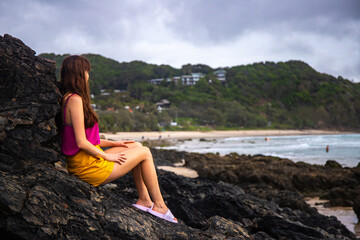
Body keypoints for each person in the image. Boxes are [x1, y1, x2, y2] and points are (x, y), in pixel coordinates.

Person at [60, 55, 177, 223]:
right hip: (87, 167)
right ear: (79, 73)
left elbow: (89, 139)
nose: (88, 76)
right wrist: (108, 156)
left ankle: (144, 199)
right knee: (145, 152)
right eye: (86, 71)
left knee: (135, 145)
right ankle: (159, 205)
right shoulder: (75, 100)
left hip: (87, 159)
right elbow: (81, 142)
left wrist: (115, 144)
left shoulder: (69, 98)